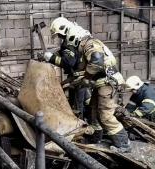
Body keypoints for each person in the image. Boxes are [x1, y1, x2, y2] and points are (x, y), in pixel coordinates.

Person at [44, 17, 130, 152]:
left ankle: (124, 144)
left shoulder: (90, 44)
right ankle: (96, 138)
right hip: (101, 84)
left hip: (107, 83)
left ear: (70, 34)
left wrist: (86, 78)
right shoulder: (85, 47)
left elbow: (96, 61)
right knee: (93, 110)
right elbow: (83, 68)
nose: (62, 39)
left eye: (61, 36)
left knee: (105, 115)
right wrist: (79, 78)